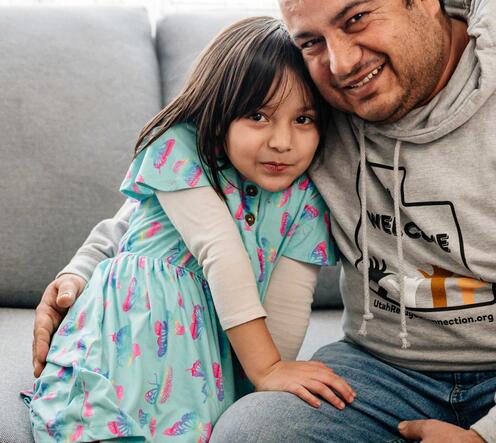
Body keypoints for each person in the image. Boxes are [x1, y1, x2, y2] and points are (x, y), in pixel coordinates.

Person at [33, 0, 496, 442]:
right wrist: (81, 273)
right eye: (311, 40)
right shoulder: (310, 105)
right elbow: (178, 202)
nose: (342, 63)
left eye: (357, 18)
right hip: (381, 372)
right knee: (252, 433)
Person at [23, 16, 355, 442]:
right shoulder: (183, 149)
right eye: (258, 115)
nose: (282, 141)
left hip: (202, 362)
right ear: (219, 115)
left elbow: (289, 309)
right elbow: (220, 252)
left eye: (304, 120)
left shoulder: (307, 198)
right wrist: (267, 367)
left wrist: (266, 383)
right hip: (127, 324)